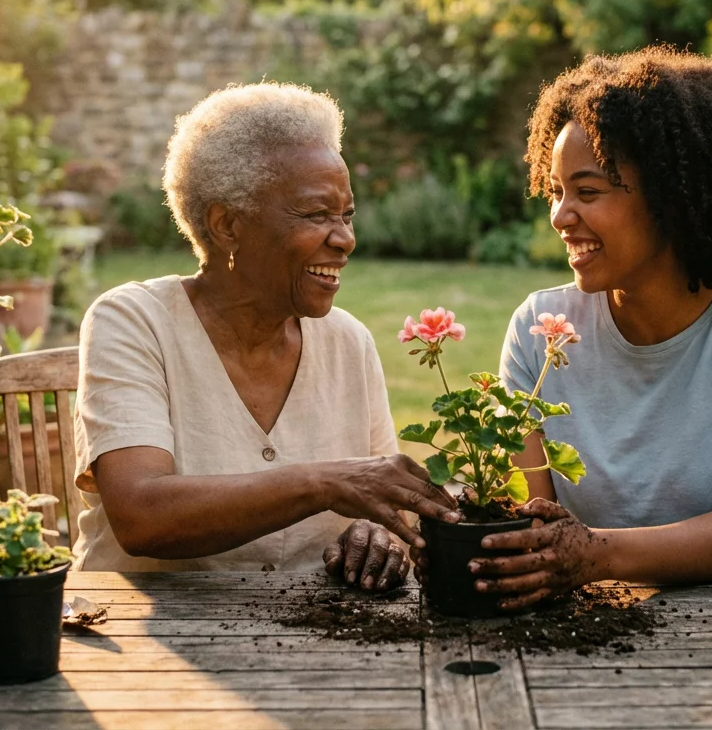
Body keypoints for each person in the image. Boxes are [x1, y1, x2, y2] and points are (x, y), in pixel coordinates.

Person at [465, 47, 712, 610]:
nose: (560, 216)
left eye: (587, 191)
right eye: (555, 190)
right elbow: (528, 527)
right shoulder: (540, 331)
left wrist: (596, 554)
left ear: (673, 198)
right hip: (592, 628)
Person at [71, 82, 459, 590]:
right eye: (317, 214)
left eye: (346, 215)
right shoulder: (133, 322)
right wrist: (324, 483)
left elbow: (381, 505)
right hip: (145, 643)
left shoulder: (348, 343)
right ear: (227, 225)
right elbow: (142, 517)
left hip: (309, 640)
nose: (345, 239)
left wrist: (375, 536)